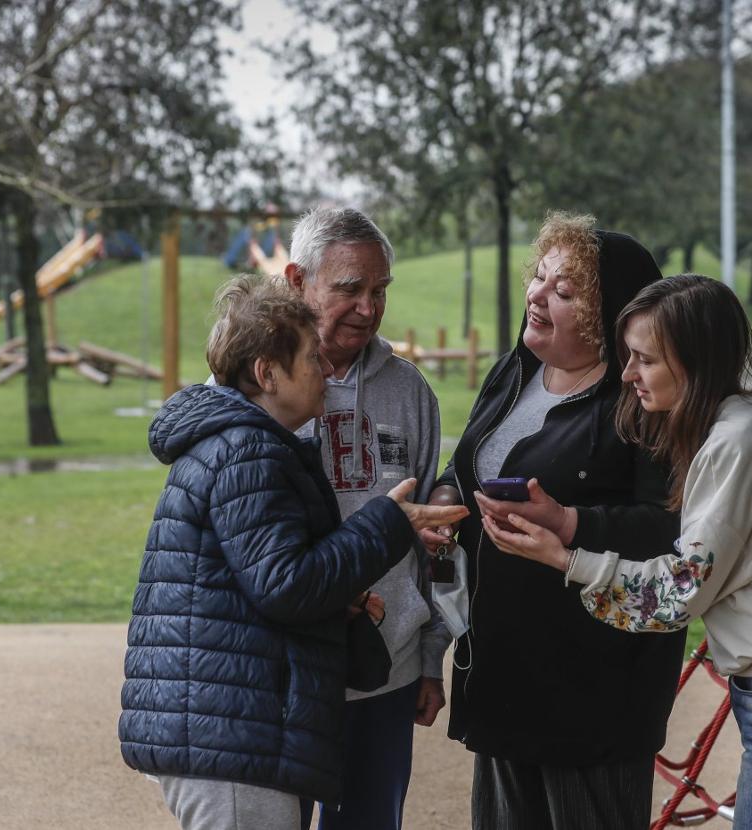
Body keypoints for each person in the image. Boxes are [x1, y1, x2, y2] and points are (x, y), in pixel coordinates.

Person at [483, 274, 752, 829]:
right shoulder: (751, 425)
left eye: (644, 359)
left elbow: (676, 595)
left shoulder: (735, 443)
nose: (628, 374)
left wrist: (561, 557)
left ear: (694, 362)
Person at [118, 275, 468, 830]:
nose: (328, 371)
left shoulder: (246, 444)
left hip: (228, 724)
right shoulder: (248, 452)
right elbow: (286, 586)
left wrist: (341, 598)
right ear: (266, 374)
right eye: (311, 358)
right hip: (231, 733)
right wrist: (387, 523)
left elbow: (253, 579)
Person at [420, 213, 686, 830]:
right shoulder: (515, 373)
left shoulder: (643, 401)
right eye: (539, 279)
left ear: (612, 318)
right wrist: (442, 500)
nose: (536, 296)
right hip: (504, 675)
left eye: (565, 293)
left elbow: (669, 529)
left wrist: (569, 523)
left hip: (592, 694)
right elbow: (470, 466)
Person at [280, 206, 449, 830]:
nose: (368, 307)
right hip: (285, 672)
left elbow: (438, 543)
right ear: (298, 281)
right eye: (349, 288)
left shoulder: (411, 393)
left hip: (387, 671)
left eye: (379, 291)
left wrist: (431, 655)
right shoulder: (249, 385)